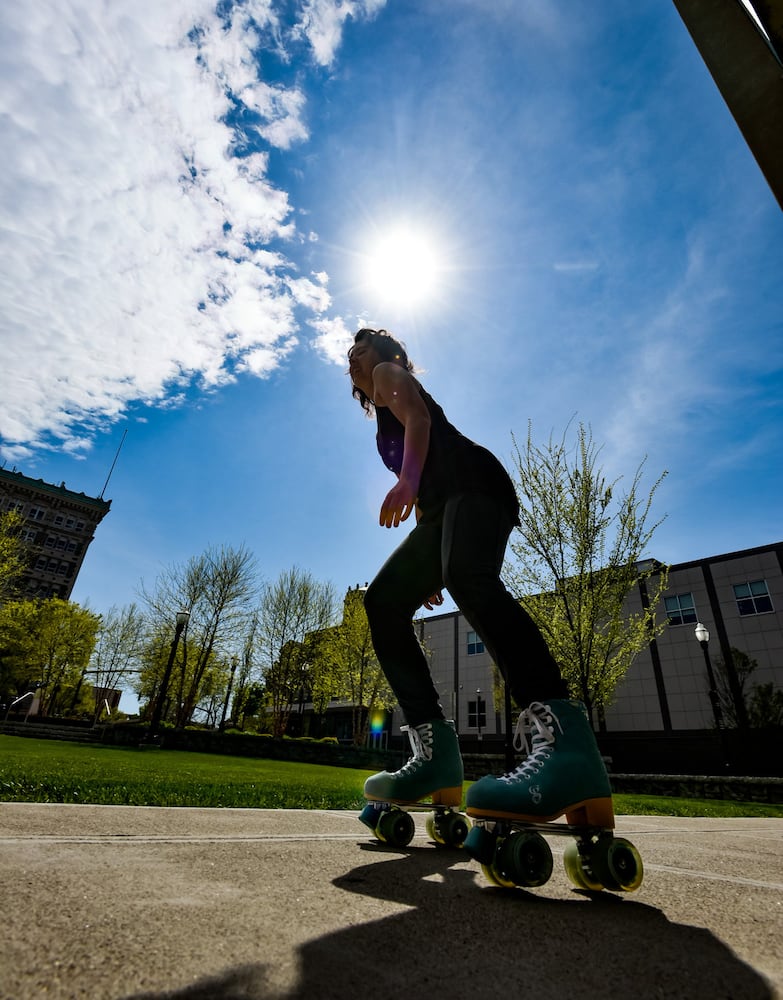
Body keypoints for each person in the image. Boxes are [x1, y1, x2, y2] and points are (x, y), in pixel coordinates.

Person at [349, 327, 613, 827]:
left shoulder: (389, 375)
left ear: (384, 355)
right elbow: (431, 483)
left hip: (477, 485)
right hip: (444, 509)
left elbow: (422, 421)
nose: (354, 357)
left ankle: (568, 747)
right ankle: (435, 757)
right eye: (350, 354)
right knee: (383, 601)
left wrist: (406, 481)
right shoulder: (379, 415)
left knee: (469, 577)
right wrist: (428, 558)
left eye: (361, 347)